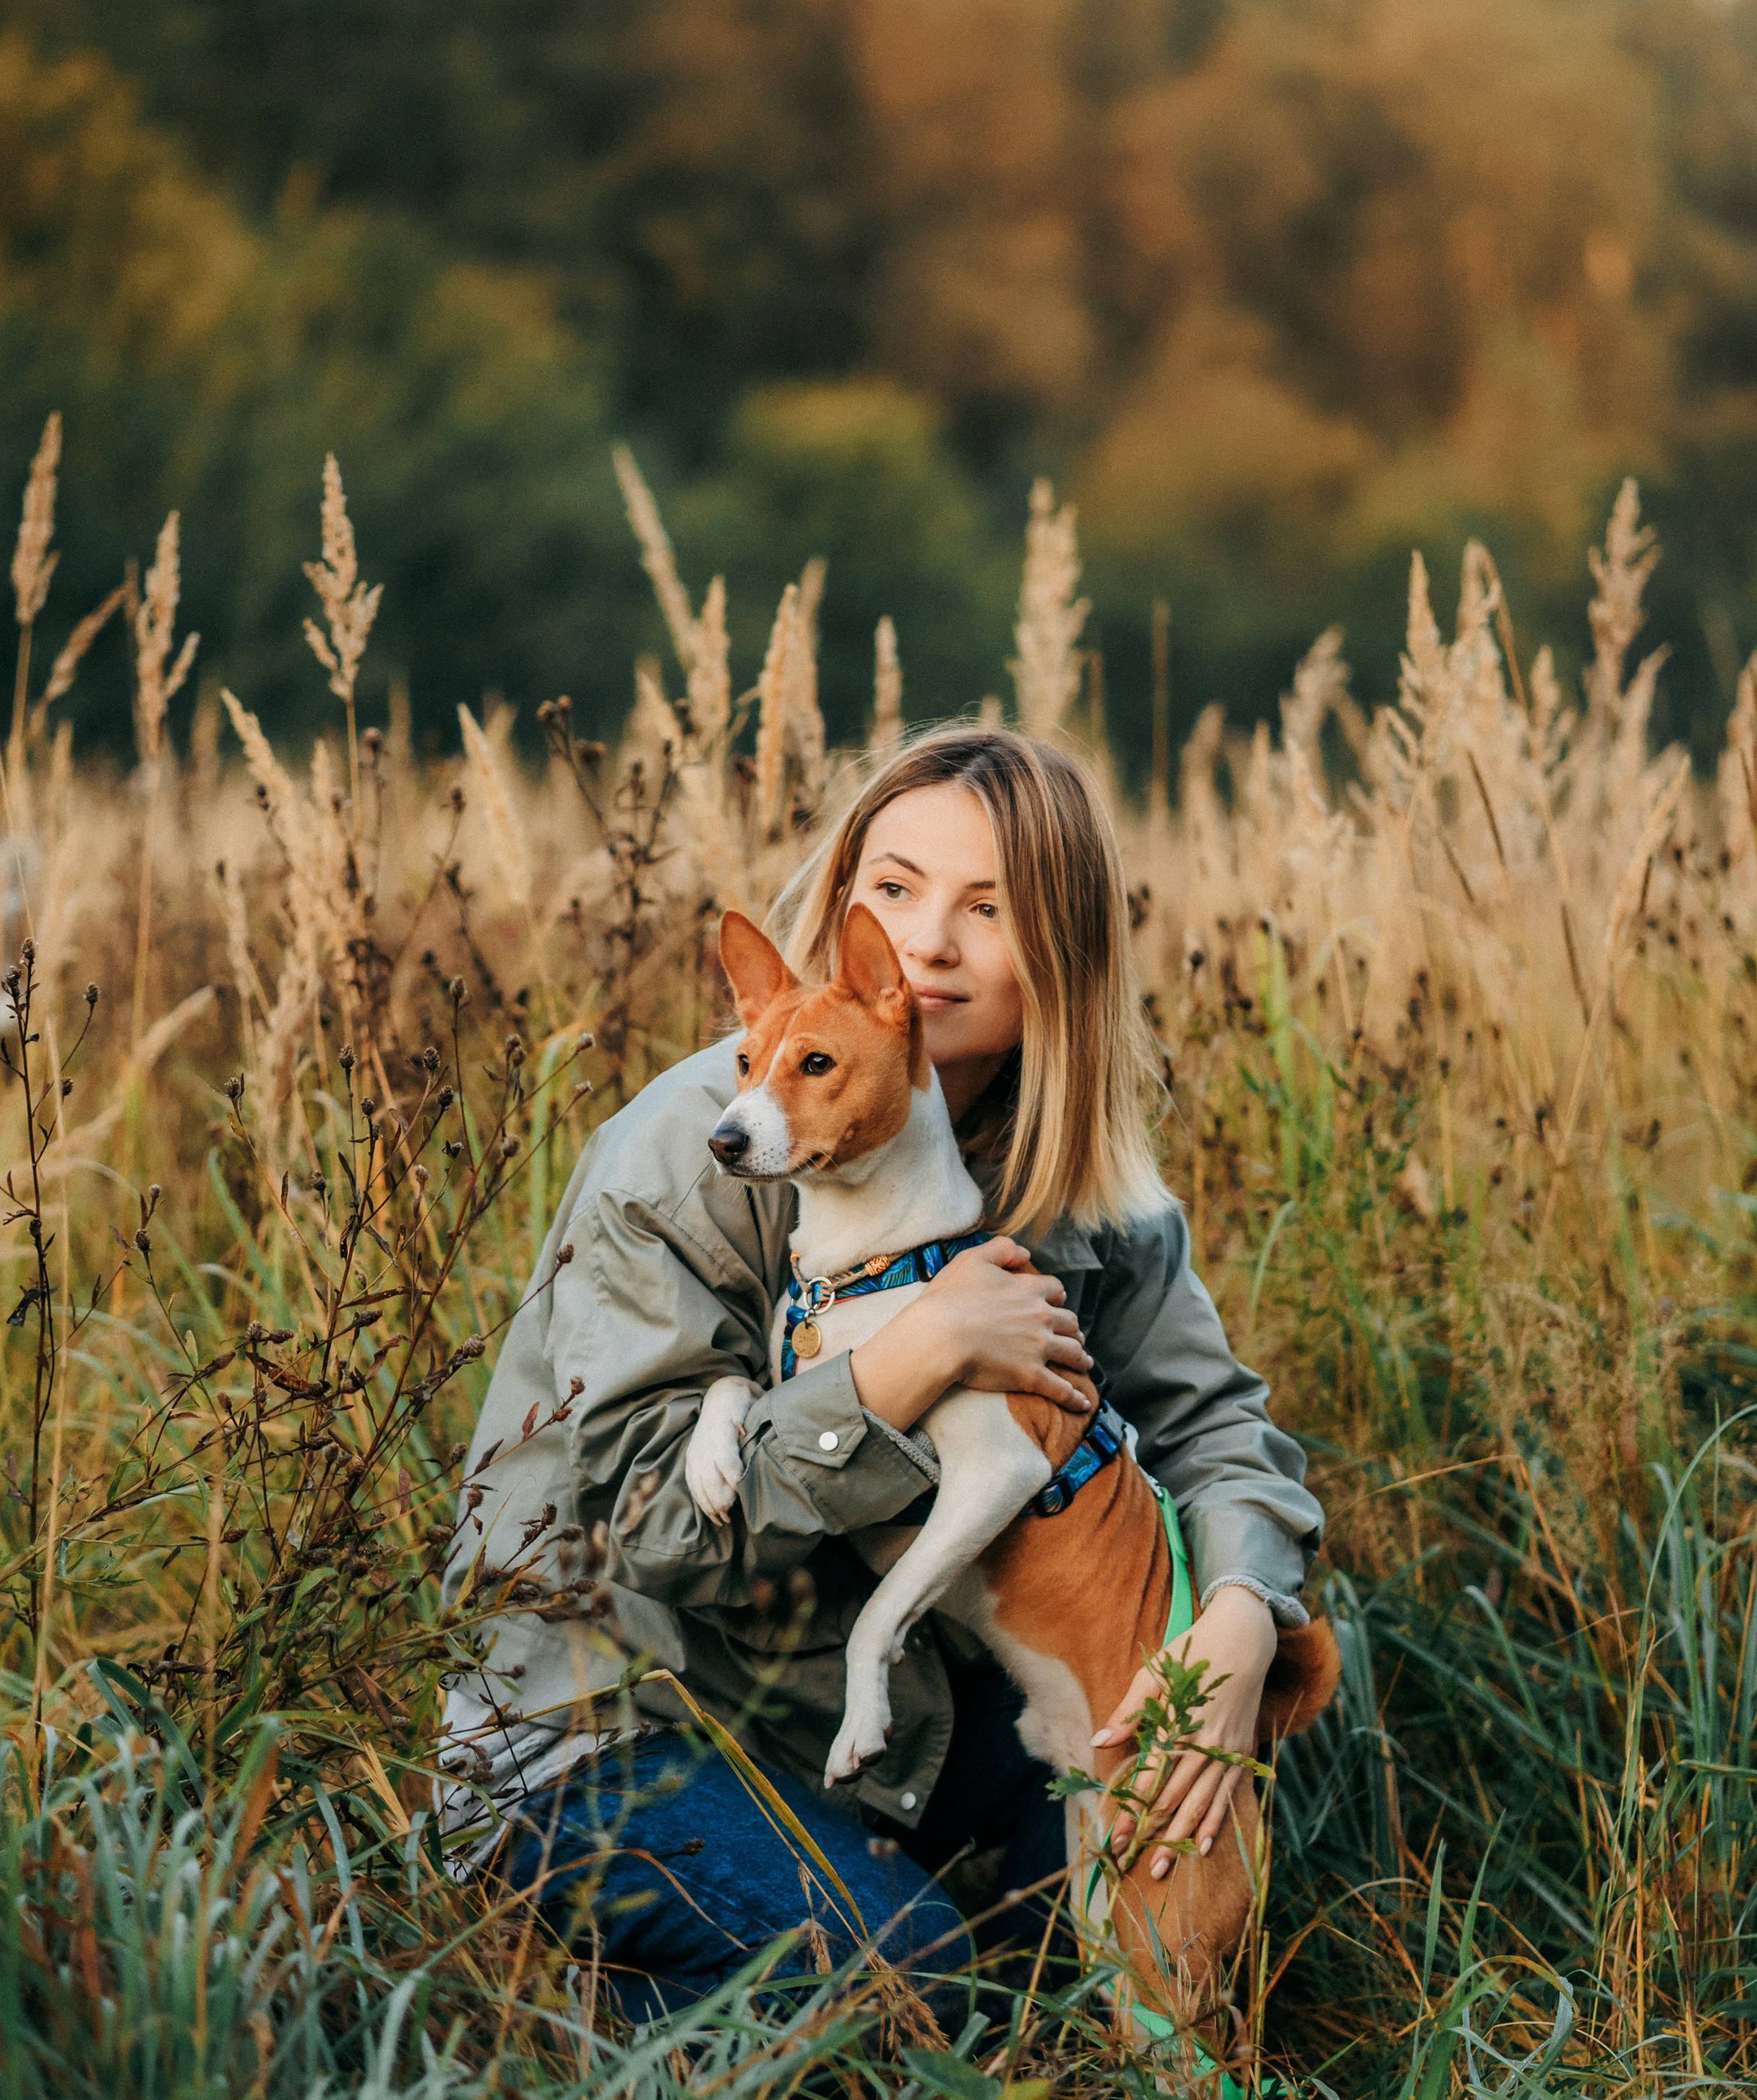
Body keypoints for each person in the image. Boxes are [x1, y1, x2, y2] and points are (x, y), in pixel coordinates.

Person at [438, 728, 1322, 2021]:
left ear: (1067, 952)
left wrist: (1240, 1617)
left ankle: (958, 1971)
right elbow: (658, 1527)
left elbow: (1216, 1427)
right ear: (847, 903)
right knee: (911, 1985)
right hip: (605, 1727)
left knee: (1177, 1832)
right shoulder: (696, 1153)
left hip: (862, 1725)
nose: (929, 943)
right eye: (896, 890)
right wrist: (911, 1358)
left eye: (989, 909)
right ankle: (529, 2026)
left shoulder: (1077, 1172)